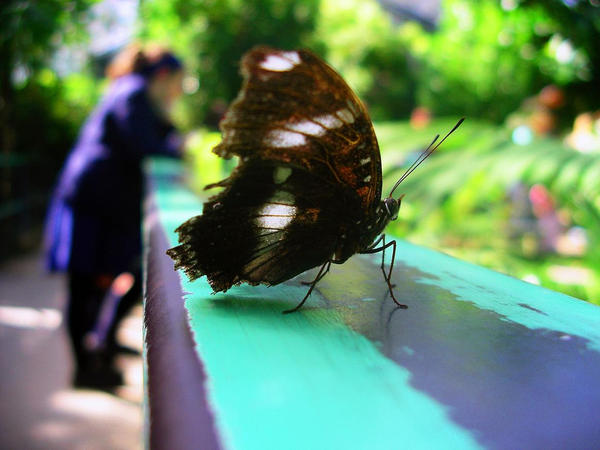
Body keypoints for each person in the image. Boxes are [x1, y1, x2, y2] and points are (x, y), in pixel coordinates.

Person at [44, 43, 185, 389]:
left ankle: (101, 344)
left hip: (102, 201)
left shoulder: (133, 93)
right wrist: (174, 142)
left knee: (118, 276)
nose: (179, 91)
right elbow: (146, 146)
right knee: (84, 286)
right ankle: (85, 366)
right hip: (91, 200)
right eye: (178, 82)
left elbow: (149, 137)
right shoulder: (134, 92)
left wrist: (167, 128)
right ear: (164, 75)